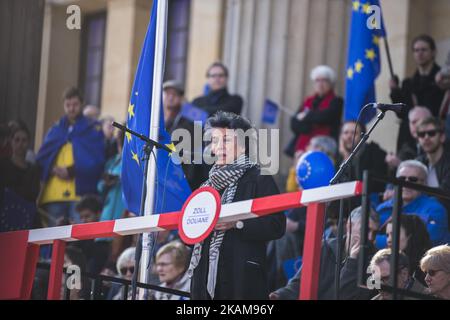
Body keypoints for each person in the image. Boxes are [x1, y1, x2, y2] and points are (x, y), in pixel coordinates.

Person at [187, 111, 286, 300]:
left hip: (241, 281)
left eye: (226, 141)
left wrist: (237, 223)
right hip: (203, 281)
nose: (218, 147)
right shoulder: (206, 186)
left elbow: (277, 224)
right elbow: (189, 234)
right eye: (214, 141)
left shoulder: (260, 178)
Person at [270, 206, 380, 300]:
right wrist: (280, 295)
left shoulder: (377, 262)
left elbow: (348, 295)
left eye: (374, 232)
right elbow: (301, 282)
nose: (371, 237)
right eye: (366, 230)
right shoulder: (325, 247)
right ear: (349, 226)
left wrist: (353, 261)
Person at [36, 87, 105, 227]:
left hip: (80, 195)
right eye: (68, 105)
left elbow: (97, 160)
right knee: (53, 240)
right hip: (54, 194)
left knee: (77, 239)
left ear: (82, 104)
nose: (71, 109)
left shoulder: (92, 128)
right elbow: (42, 158)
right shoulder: (56, 129)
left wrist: (71, 171)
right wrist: (52, 169)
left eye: (75, 105)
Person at [390, 34, 446, 153]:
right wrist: (395, 92)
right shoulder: (408, 83)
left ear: (433, 52)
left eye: (424, 50)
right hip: (409, 141)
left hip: (434, 137)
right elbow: (403, 114)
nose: (419, 53)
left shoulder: (444, 81)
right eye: (416, 50)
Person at [376, 160, 449, 246]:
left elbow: (422, 241)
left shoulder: (435, 209)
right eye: (401, 179)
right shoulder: (382, 208)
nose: (406, 183)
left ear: (424, 183)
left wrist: (379, 241)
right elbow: (368, 236)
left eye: (413, 179)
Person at [163, 79, 207, 190]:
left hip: (182, 175)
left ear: (181, 98)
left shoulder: (189, 120)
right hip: (163, 171)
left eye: (174, 94)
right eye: (167, 94)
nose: (170, 97)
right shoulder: (158, 118)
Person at [289, 65, 343, 156]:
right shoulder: (308, 100)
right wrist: (307, 127)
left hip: (325, 148)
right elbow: (294, 122)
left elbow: (326, 117)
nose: (320, 84)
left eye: (324, 80)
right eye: (317, 80)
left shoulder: (337, 101)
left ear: (331, 83)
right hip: (303, 148)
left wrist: (306, 116)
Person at [0, 125, 41, 231]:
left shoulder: (34, 169)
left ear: (29, 143)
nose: (20, 144)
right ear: (11, 141)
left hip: (25, 219)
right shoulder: (2, 165)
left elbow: (33, 195)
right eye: (17, 140)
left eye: (24, 140)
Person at [337, 120, 388, 195]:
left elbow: (373, 185)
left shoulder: (374, 152)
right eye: (346, 133)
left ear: (362, 137)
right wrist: (345, 157)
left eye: (354, 133)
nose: (349, 136)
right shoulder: (339, 157)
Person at [379, 214, 432, 286]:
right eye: (387, 235)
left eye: (394, 234)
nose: (389, 240)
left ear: (410, 235)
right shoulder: (384, 263)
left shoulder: (427, 267)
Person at [385, 106, 431, 171]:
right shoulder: (407, 147)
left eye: (419, 121)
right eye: (412, 122)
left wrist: (400, 165)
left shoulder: (437, 145)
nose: (416, 126)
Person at [416, 117, 450, 191]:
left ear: (442, 137)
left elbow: (444, 194)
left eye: (431, 133)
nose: (426, 137)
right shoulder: (417, 163)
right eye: (422, 134)